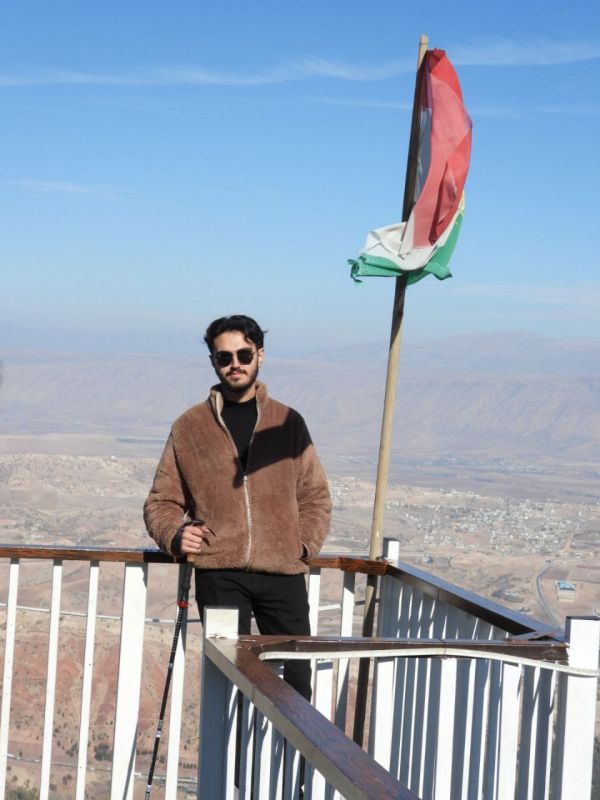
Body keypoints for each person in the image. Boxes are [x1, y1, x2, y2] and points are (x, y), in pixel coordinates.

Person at [144, 314, 331, 700]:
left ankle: (288, 745)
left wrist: (301, 546)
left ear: (260, 355)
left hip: (283, 574)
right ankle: (235, 744)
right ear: (213, 362)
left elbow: (315, 496)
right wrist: (175, 535)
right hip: (219, 574)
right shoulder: (189, 426)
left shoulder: (288, 423)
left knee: (297, 684)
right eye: (224, 357)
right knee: (229, 685)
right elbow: (161, 501)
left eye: (243, 354)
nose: (235, 364)